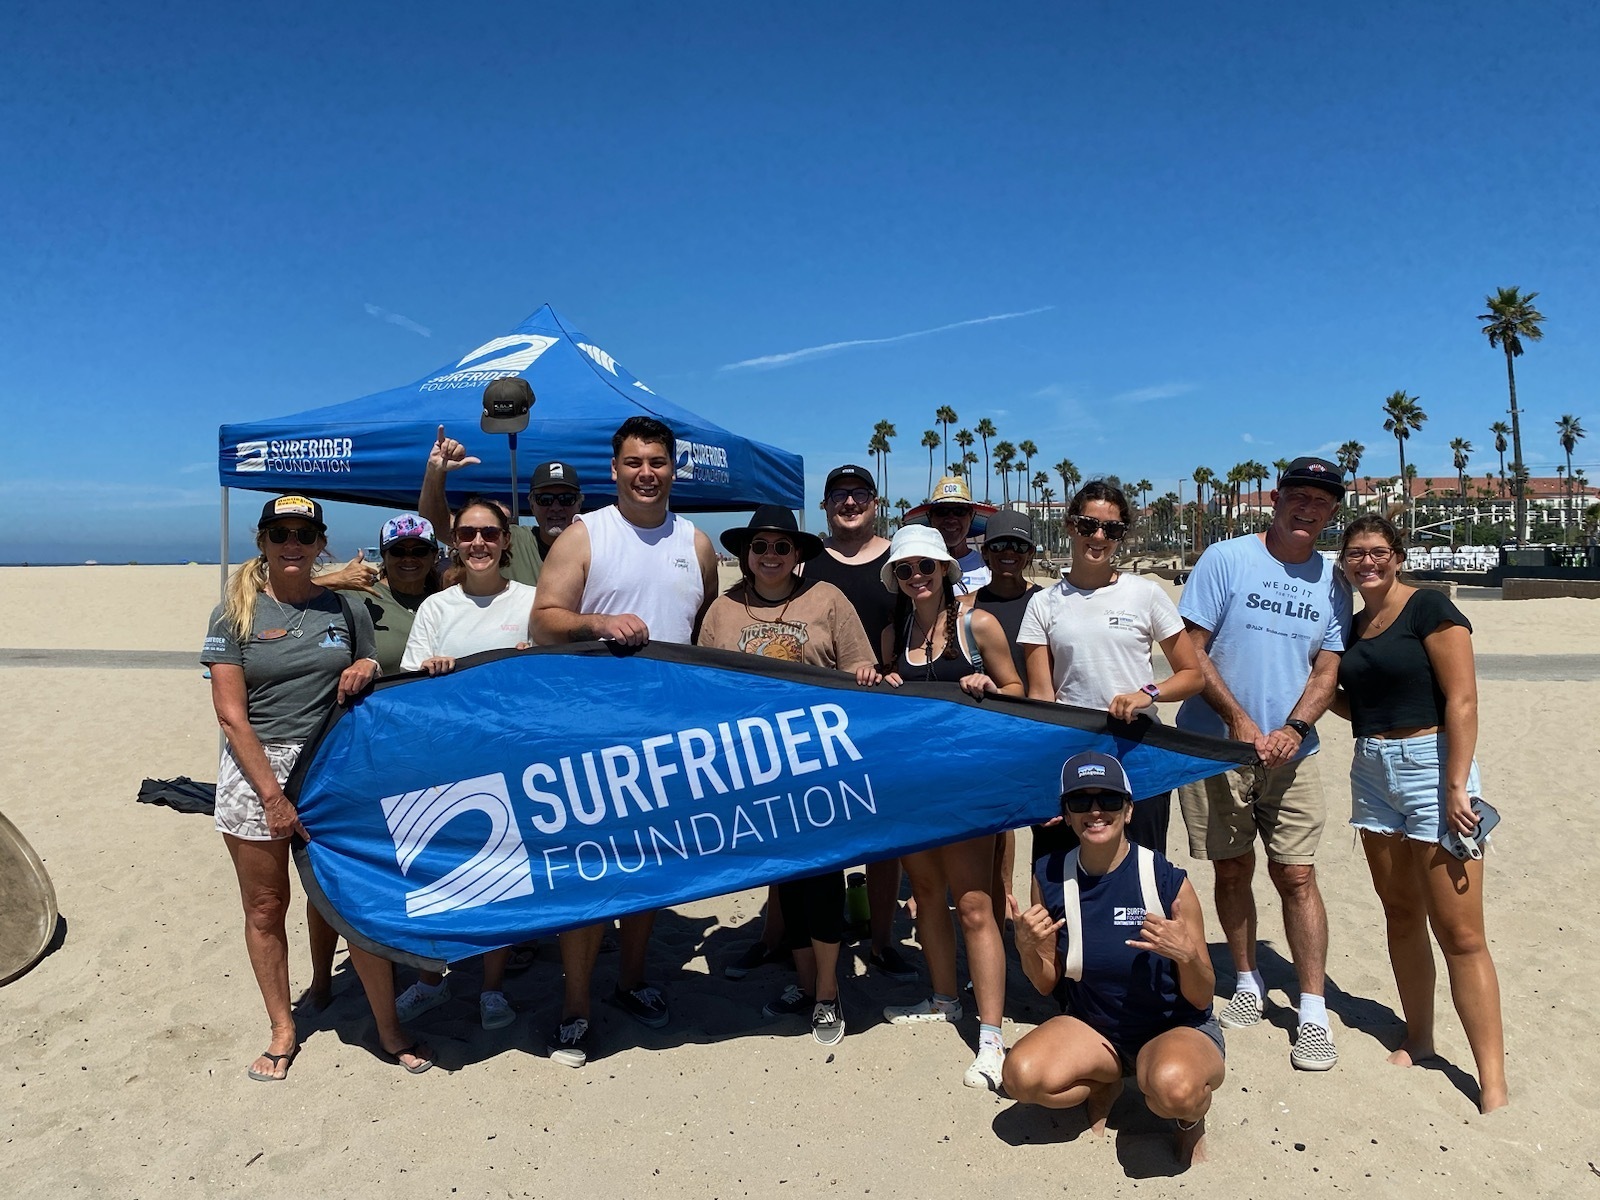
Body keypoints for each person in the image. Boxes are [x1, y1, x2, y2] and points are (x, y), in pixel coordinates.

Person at [200, 495, 433, 1079]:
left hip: (333, 766)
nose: (293, 544)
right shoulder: (234, 613)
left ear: (320, 543)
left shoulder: (346, 608)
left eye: (304, 535)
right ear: (262, 542)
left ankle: (387, 1027)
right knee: (265, 906)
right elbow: (231, 716)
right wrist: (273, 797)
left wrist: (367, 666)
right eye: (280, 534)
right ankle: (283, 1029)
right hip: (258, 770)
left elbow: (371, 662)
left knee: (351, 898)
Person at [530, 415, 719, 1067]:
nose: (646, 473)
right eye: (634, 462)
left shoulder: (696, 543)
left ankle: (632, 980)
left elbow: (706, 630)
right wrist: (597, 622)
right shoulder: (586, 535)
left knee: (650, 866)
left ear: (674, 469)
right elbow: (543, 621)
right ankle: (575, 1007)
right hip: (590, 734)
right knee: (589, 871)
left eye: (657, 462)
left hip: (669, 737)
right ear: (614, 470)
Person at [1174, 456, 1352, 1072]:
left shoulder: (1333, 579)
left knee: (1297, 875)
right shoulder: (1226, 559)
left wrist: (1294, 728)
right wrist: (1239, 720)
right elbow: (1192, 650)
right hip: (1218, 746)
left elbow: (1327, 668)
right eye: (1298, 496)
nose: (1309, 508)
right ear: (1275, 499)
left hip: (1294, 751)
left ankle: (1312, 1009)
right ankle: (1248, 980)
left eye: (1322, 501)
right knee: (1232, 869)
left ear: (1333, 512)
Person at [1330, 516, 1506, 1112]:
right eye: (1356, 553)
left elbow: (1463, 698)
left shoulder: (1428, 607)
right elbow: (1359, 705)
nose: (1368, 562)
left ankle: (1492, 1081)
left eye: (1378, 551)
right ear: (1344, 562)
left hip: (1434, 768)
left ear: (1398, 557)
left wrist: (1457, 785)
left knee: (1461, 933)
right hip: (1372, 771)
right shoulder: (1352, 627)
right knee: (1401, 913)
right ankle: (1421, 1038)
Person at [698, 506, 881, 1046]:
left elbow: (860, 668)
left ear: (797, 553)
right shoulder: (722, 610)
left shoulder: (827, 599)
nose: (771, 555)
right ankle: (804, 985)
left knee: (822, 881)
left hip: (819, 768)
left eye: (782, 546)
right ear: (745, 554)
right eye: (760, 546)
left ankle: (828, 993)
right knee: (789, 881)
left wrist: (864, 675)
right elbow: (702, 690)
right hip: (755, 773)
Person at [1003, 752, 1225, 1169]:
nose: (1095, 811)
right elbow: (1047, 982)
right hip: (1095, 1028)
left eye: (1107, 799)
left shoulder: (1165, 879)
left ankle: (1188, 1121)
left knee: (1175, 1090)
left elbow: (1202, 996)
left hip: (1173, 1026)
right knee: (1021, 1077)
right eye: (1080, 802)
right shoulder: (1049, 876)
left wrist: (1187, 956)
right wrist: (1027, 947)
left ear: (1128, 809)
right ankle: (1106, 1083)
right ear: (1066, 815)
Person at [877, 524, 1023, 1091]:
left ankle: (991, 1036)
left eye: (926, 566)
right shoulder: (894, 633)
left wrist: (989, 687)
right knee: (927, 895)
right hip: (914, 785)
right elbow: (888, 698)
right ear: (896, 577)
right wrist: (881, 680)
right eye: (906, 569)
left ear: (944, 569)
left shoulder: (975, 624)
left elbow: (1019, 692)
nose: (917, 577)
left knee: (976, 905)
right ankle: (943, 997)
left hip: (968, 782)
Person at [391, 497, 538, 1032]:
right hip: (443, 759)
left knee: (502, 873)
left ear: (505, 540)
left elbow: (551, 677)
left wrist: (530, 657)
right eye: (468, 533)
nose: (479, 543)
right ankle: (432, 979)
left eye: (489, 533)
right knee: (435, 872)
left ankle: (492, 986)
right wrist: (431, 672)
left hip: (509, 757)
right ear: (454, 541)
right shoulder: (436, 608)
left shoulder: (532, 601)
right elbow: (409, 686)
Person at [1018, 482, 1203, 858]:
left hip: (1138, 749)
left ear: (1122, 535)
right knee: (1063, 866)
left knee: (1143, 865)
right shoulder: (1043, 603)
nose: (1099, 536)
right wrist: (1042, 769)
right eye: (1089, 525)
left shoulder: (1146, 594)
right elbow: (1041, 696)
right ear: (1071, 526)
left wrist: (1147, 693)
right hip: (1072, 748)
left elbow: (1192, 674)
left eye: (1112, 529)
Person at [796, 463, 916, 984]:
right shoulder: (807, 561)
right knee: (810, 830)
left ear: (875, 502)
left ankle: (882, 939)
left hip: (885, 712)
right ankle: (781, 935)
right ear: (825, 505)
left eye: (860, 494)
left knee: (884, 837)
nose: (850, 503)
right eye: (839, 495)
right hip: (816, 719)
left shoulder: (901, 559)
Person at [970, 508, 1043, 927]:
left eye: (1018, 545)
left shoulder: (1047, 601)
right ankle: (998, 927)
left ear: (1030, 552)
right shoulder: (967, 607)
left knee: (1048, 841)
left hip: (1040, 732)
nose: (1008, 552)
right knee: (994, 841)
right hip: (990, 738)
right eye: (999, 545)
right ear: (985, 552)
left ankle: (1040, 930)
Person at [420, 407, 585, 587]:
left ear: (579, 502)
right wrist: (435, 472)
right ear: (531, 503)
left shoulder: (598, 544)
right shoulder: (511, 540)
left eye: (566, 499)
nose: (556, 507)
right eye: (545, 499)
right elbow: (439, 527)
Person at [360, 513, 445, 676]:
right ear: (384, 555)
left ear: (434, 556)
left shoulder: (443, 603)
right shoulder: (359, 598)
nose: (408, 558)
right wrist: (334, 580)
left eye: (419, 551)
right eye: (398, 551)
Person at [925, 475, 989, 593]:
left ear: (971, 516)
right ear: (930, 517)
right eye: (942, 511)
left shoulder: (987, 567)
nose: (951, 519)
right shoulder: (918, 567)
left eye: (959, 511)